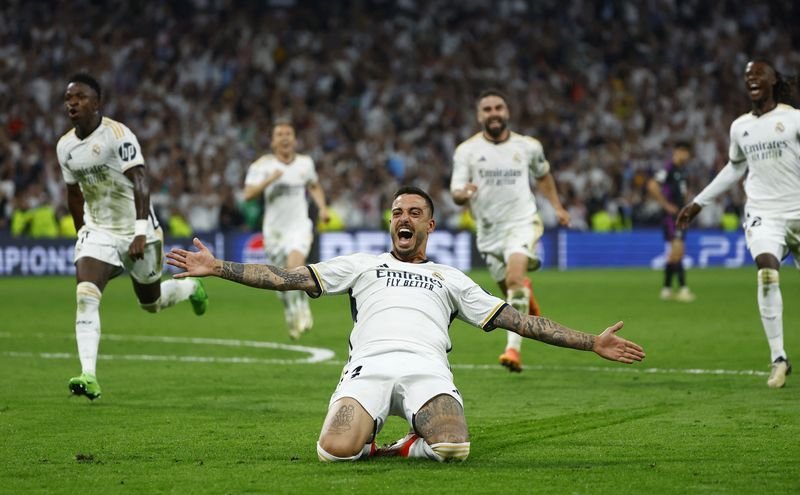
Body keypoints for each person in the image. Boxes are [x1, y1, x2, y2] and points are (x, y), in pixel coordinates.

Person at [166, 186, 645, 462]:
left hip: (426, 371)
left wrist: (590, 342)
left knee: (455, 448)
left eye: (414, 212)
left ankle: (404, 446)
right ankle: (374, 440)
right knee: (332, 452)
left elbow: (518, 321)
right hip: (367, 370)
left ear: (430, 226)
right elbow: (286, 278)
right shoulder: (359, 265)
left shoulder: (450, 278)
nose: (404, 217)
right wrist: (219, 268)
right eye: (397, 212)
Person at [57, 73, 208, 400]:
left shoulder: (118, 135)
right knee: (86, 295)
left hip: (139, 229)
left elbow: (140, 181)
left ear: (96, 103)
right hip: (99, 230)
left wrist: (140, 232)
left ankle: (190, 287)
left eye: (80, 97)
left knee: (150, 303)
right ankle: (88, 374)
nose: (72, 103)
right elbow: (73, 193)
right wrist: (82, 231)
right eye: (69, 98)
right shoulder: (65, 147)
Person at [677, 60, 800, 389]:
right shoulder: (740, 127)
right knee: (766, 270)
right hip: (764, 214)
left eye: (759, 74)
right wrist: (699, 202)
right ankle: (779, 358)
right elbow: (734, 169)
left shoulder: (792, 119)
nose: (752, 79)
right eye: (748, 76)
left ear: (774, 80)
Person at [450, 89, 571, 373]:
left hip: (522, 221)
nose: (494, 113)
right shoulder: (466, 151)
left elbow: (543, 176)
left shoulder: (528, 146)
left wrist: (557, 207)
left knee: (515, 278)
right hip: (489, 230)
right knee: (509, 290)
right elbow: (455, 190)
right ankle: (525, 295)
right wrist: (463, 194)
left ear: (507, 112)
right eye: (487, 109)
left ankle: (512, 351)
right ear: (480, 116)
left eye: (498, 108)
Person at [243, 120, 330, 340]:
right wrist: (269, 180)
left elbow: (314, 186)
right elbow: (248, 195)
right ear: (272, 142)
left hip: (299, 226)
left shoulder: (305, 163)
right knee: (280, 281)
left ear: (294, 139)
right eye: (279, 134)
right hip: (274, 232)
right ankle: (292, 309)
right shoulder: (261, 166)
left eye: (288, 133)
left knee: (294, 266)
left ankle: (301, 308)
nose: (284, 137)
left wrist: (322, 208)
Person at [647, 141, 695, 302]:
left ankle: (667, 289)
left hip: (681, 216)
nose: (686, 155)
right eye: (684, 152)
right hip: (671, 218)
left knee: (676, 253)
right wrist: (666, 205)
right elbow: (652, 185)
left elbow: (685, 192)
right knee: (677, 251)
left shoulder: (682, 171)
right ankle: (682, 288)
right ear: (677, 151)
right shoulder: (668, 168)